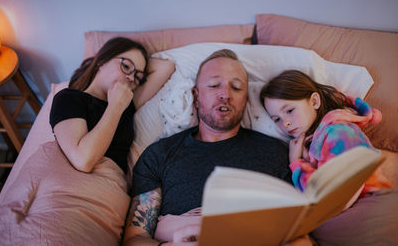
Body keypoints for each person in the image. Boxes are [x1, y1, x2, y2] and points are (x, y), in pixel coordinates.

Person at [123, 49, 292, 245]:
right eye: (213, 85)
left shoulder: (274, 153)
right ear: (196, 96)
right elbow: (135, 238)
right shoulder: (159, 154)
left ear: (245, 100)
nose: (225, 94)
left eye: (236, 87)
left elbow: (294, 230)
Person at [260, 70, 393, 201]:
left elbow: (327, 195)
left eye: (289, 110)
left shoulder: (338, 132)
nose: (286, 123)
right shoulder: (316, 138)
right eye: (276, 119)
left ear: (314, 102)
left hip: (370, 202)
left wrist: (296, 162)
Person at [49, 37, 175, 175]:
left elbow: (165, 67)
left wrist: (137, 65)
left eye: (137, 77)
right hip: (81, 183)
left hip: (113, 185)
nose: (131, 78)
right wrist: (115, 107)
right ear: (102, 61)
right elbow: (83, 160)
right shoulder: (68, 98)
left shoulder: (127, 105)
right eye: (126, 66)